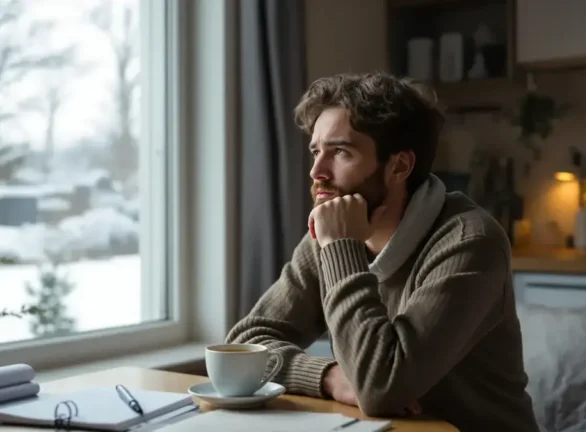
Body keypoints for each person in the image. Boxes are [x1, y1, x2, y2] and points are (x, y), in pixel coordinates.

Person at [225, 72, 539, 432]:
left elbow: (381, 388)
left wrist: (342, 249)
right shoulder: (329, 233)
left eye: (340, 151)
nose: (317, 172)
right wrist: (328, 376)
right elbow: (244, 346)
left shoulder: (470, 241)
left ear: (399, 166)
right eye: (316, 151)